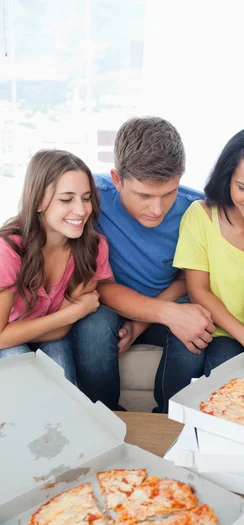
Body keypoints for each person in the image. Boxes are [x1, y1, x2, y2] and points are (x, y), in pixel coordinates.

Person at [72, 116, 215, 411]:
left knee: (195, 327)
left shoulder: (196, 209)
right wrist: (162, 314)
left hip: (164, 304)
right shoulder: (90, 200)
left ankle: (170, 420)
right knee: (93, 329)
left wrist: (145, 322)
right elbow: (100, 285)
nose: (157, 209)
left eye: (168, 194)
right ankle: (105, 416)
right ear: (116, 179)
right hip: (108, 306)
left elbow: (188, 280)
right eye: (144, 195)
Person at [166, 126, 244, 402]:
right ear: (227, 180)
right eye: (243, 188)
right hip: (218, 328)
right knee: (209, 366)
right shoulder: (201, 215)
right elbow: (198, 291)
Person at [0, 149, 113, 383]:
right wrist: (73, 312)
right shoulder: (8, 249)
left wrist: (66, 317)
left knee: (60, 379)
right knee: (19, 362)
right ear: (39, 201)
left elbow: (61, 330)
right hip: (9, 341)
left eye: (85, 197)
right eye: (66, 199)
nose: (81, 210)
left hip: (47, 334)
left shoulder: (93, 247)